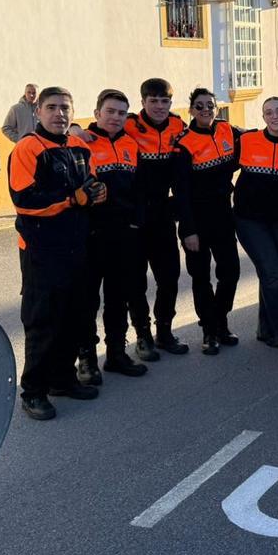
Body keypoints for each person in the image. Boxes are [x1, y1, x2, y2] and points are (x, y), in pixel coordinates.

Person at [8, 87, 107, 420]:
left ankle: (62, 380)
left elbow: (88, 182)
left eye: (65, 107)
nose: (59, 114)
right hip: (41, 250)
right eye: (52, 107)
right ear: (38, 111)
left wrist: (95, 192)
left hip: (77, 245)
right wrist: (71, 200)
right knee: (42, 321)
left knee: (75, 316)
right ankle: (33, 391)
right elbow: (25, 200)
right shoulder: (27, 149)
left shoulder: (79, 146)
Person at [75, 88, 149, 385]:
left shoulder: (132, 145)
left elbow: (140, 189)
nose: (115, 117)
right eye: (110, 112)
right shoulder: (81, 142)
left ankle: (117, 354)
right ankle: (87, 361)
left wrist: (136, 223)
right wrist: (75, 129)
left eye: (121, 113)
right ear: (97, 114)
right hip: (91, 235)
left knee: (118, 298)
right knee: (87, 300)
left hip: (124, 234)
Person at [233, 97, 278, 351]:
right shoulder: (246, 140)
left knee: (271, 274)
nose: (274, 116)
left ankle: (266, 329)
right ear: (263, 117)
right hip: (249, 221)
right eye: (268, 113)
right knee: (273, 273)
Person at [123, 78, 188, 357]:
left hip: (162, 213)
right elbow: (97, 132)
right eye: (154, 101)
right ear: (143, 103)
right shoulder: (128, 125)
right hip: (134, 216)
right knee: (136, 281)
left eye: (165, 101)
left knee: (170, 276)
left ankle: (164, 331)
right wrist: (80, 130)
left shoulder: (177, 125)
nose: (160, 106)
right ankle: (142, 335)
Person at [175, 88, 241, 354]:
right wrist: (188, 230)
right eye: (199, 106)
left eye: (210, 106)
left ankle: (220, 320)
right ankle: (209, 331)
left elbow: (257, 138)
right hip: (196, 220)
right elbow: (180, 192)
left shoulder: (228, 131)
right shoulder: (184, 143)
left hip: (224, 216)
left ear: (216, 108)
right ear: (191, 110)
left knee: (231, 272)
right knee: (201, 278)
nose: (205, 111)